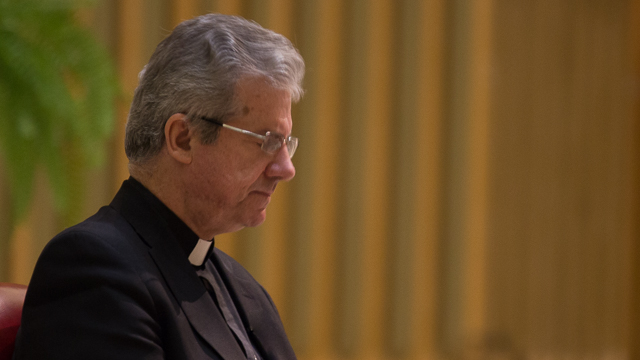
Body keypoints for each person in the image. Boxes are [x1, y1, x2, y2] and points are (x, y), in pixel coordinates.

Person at [13, 13, 304, 360]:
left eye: (287, 143)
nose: (286, 168)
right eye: (268, 141)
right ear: (182, 139)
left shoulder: (245, 290)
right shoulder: (93, 270)